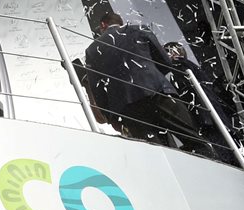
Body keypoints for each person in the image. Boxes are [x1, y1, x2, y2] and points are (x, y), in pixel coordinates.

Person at [81, 13, 213, 157]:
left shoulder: (92, 50)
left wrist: (110, 117)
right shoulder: (139, 29)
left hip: (129, 109)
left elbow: (97, 88)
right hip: (159, 93)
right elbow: (165, 62)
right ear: (120, 22)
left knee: (157, 154)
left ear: (103, 25)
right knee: (193, 140)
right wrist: (153, 78)